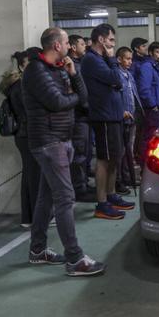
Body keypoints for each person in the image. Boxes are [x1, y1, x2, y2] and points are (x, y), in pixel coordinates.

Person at [22, 27, 105, 277]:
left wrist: (74, 76)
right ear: (56, 45)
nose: (71, 46)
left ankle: (37, 250)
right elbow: (57, 102)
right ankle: (75, 259)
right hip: (49, 142)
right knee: (66, 198)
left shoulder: (58, 69)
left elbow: (83, 97)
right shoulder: (36, 71)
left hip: (61, 139)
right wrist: (74, 98)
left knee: (46, 198)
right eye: (68, 42)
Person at [80, 23, 133, 219]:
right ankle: (102, 203)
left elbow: (115, 82)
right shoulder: (92, 60)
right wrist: (112, 58)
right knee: (104, 159)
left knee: (114, 158)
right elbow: (116, 79)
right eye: (111, 40)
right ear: (101, 40)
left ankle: (111, 195)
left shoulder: (99, 59)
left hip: (114, 115)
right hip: (103, 117)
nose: (113, 44)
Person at [0, 50, 39, 227]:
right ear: (22, 66)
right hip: (27, 134)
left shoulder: (19, 85)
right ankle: (34, 217)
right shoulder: (21, 87)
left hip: (24, 134)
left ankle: (28, 217)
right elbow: (29, 112)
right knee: (34, 176)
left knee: (30, 175)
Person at [67, 34, 93, 202]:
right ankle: (79, 189)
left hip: (86, 115)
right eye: (83, 44)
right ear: (73, 47)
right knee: (79, 153)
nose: (86, 47)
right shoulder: (70, 67)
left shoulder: (81, 64)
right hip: (78, 115)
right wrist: (86, 106)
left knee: (87, 151)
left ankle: (84, 183)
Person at [135, 40, 159, 152]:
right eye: (158, 52)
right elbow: (144, 89)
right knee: (149, 138)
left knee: (157, 140)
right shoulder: (147, 66)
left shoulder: (156, 67)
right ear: (151, 53)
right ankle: (145, 165)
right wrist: (152, 105)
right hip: (154, 110)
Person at [115, 46, 140, 194]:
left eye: (131, 59)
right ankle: (119, 180)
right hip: (122, 118)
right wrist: (121, 111)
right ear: (119, 59)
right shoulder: (116, 75)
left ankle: (128, 176)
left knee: (128, 150)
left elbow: (133, 95)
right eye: (127, 58)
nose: (130, 61)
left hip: (132, 117)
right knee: (121, 151)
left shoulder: (129, 75)